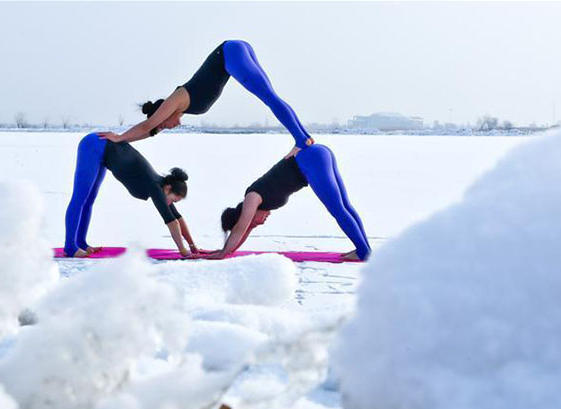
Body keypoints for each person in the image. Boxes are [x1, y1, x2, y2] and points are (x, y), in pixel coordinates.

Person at [98, 40, 314, 159]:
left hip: (229, 54)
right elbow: (150, 130)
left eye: (164, 125)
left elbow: (148, 125)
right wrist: (127, 140)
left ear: (162, 114)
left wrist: (119, 137)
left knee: (270, 98)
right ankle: (304, 138)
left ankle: (300, 140)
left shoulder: (175, 100)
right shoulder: (179, 108)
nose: (169, 128)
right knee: (272, 97)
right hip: (235, 51)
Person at [206, 144, 371, 261]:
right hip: (317, 156)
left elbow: (240, 228)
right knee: (344, 207)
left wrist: (223, 253)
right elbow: (244, 230)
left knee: (339, 210)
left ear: (243, 215)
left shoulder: (252, 197)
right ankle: (363, 249)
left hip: (310, 161)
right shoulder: (258, 203)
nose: (261, 223)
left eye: (254, 222)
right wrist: (228, 251)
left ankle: (363, 252)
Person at [63, 133, 198, 258]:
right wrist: (184, 252)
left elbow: (177, 217)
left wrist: (192, 246)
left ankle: (81, 242)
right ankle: (70, 247)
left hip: (105, 152)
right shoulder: (155, 187)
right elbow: (172, 222)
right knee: (80, 198)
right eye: (173, 200)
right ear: (168, 188)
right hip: (94, 145)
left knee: (89, 200)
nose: (171, 203)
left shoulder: (161, 186)